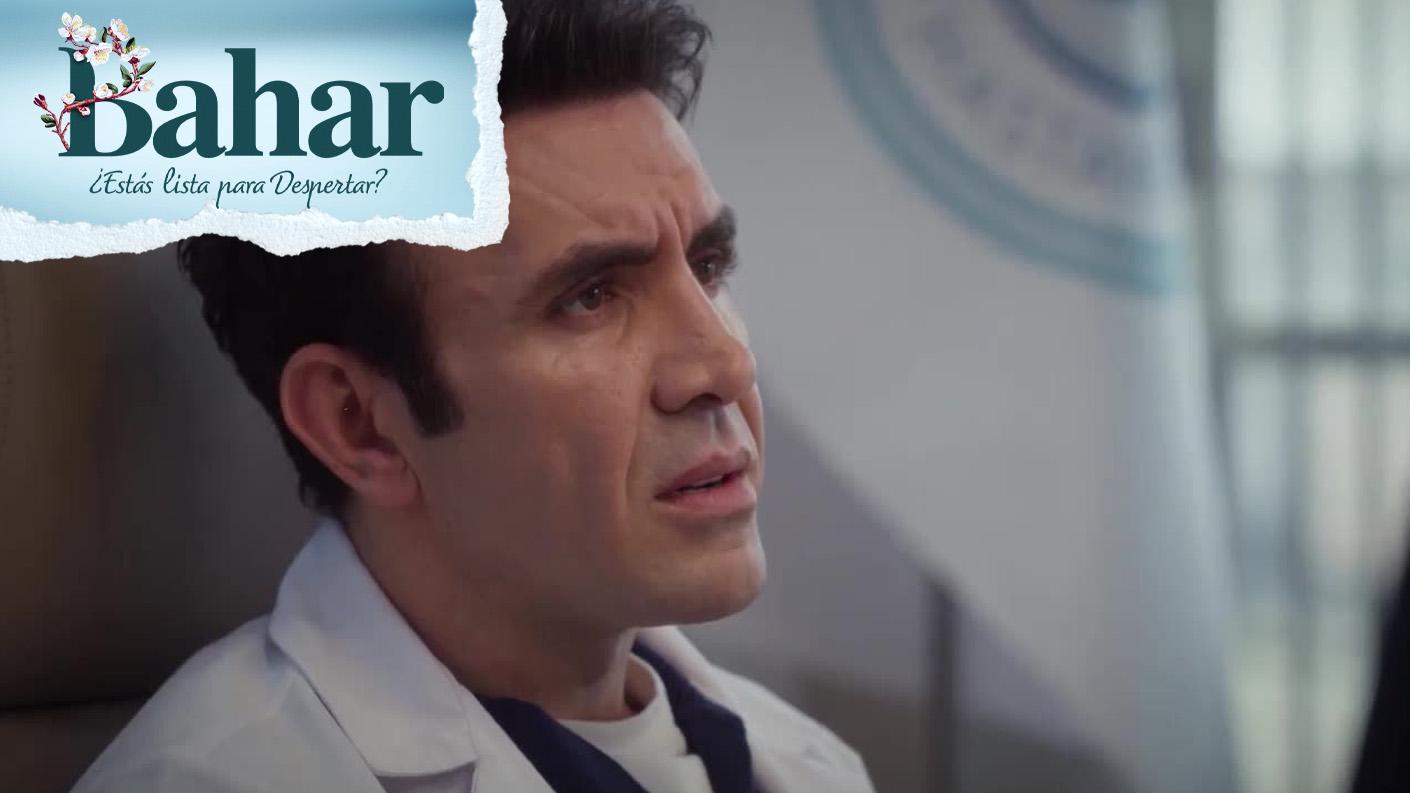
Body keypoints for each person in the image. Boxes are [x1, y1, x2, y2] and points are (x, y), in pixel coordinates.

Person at [69, 1, 875, 792]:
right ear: (359, 425)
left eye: (707, 267)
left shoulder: (811, 761)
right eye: (590, 297)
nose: (726, 364)